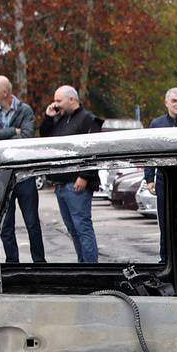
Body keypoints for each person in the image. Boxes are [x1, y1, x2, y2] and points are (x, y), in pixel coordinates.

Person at [0, 74, 43, 262]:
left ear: (4, 92)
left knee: (32, 223)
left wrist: (1, 136)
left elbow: (26, 137)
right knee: (6, 225)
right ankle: (12, 262)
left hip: (25, 176)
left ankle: (39, 263)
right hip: (3, 176)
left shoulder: (24, 110)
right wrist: (12, 131)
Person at [40, 85, 102, 262]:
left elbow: (95, 150)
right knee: (72, 229)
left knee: (82, 227)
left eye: (59, 101)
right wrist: (48, 118)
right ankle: (82, 264)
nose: (55, 104)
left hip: (77, 183)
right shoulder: (60, 120)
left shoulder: (88, 120)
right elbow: (45, 138)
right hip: (61, 183)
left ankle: (91, 267)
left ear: (72, 99)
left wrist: (85, 175)